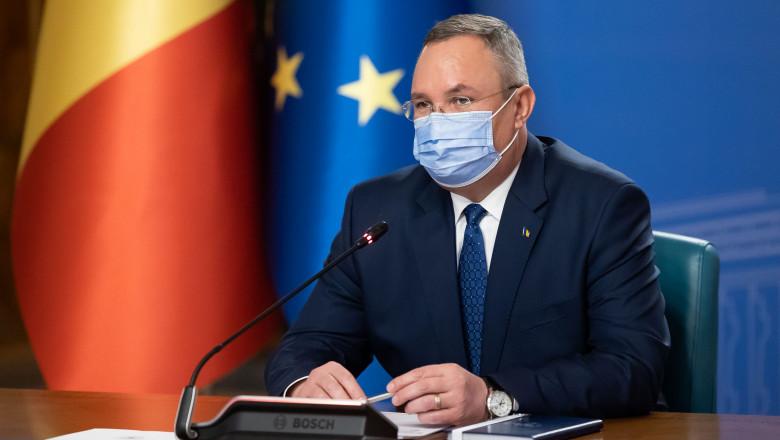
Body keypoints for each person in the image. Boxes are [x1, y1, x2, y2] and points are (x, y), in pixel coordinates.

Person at [265, 13, 670, 426]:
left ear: (520, 107)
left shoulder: (601, 204)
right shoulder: (377, 210)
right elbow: (306, 347)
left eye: (460, 101)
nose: (437, 122)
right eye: (424, 105)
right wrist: (304, 383)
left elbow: (633, 368)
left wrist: (494, 396)